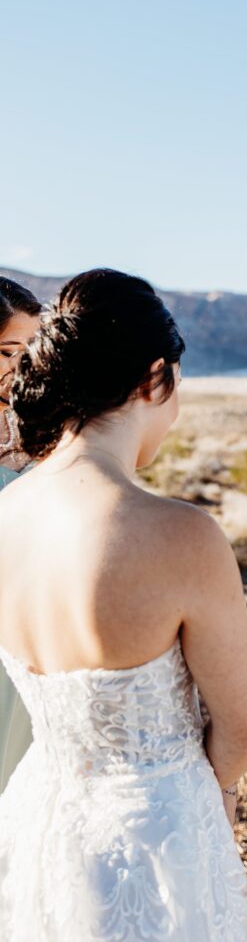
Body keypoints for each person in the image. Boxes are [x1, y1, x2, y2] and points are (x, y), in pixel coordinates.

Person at [0, 269, 247, 942]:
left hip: (35, 820)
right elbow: (244, 728)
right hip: (154, 842)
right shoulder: (178, 534)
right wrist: (205, 797)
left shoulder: (6, 514)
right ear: (156, 378)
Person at [0, 277, 41, 792]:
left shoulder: (49, 434)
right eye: (8, 351)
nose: (22, 368)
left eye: (33, 351)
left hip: (29, 633)